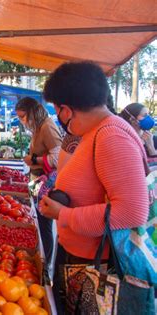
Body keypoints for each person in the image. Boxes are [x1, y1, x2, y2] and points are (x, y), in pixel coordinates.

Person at [40, 61, 149, 314]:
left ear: (66, 109)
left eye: (57, 110)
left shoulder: (111, 136)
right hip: (84, 260)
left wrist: (63, 214)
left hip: (96, 269)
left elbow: (132, 212)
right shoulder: (96, 131)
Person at [15, 96, 62, 266]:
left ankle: (46, 260)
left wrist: (33, 160)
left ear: (32, 113)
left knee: (44, 222)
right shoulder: (38, 127)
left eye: (23, 116)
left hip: (45, 182)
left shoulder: (48, 127)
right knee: (37, 218)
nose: (21, 120)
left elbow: (57, 158)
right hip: (36, 180)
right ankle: (42, 257)